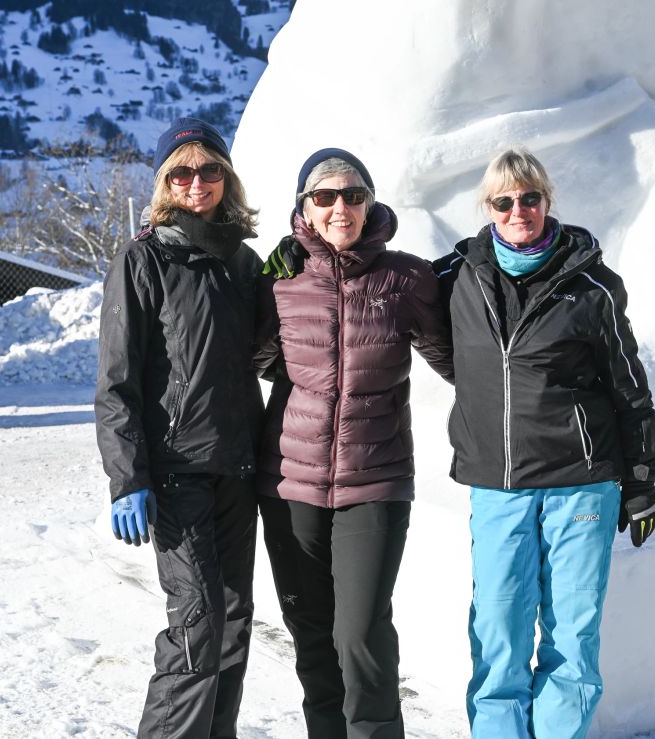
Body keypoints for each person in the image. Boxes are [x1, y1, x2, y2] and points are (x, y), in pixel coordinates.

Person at [432, 147, 655, 739]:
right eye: (504, 201)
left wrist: (640, 482)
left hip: (580, 483)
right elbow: (377, 286)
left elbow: (630, 387)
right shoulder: (455, 275)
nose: (518, 210)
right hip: (497, 484)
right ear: (487, 208)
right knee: (498, 631)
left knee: (571, 637)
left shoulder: (592, 286)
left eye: (529, 197)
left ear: (547, 201)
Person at [254, 147, 454, 738]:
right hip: (290, 480)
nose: (340, 207)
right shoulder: (280, 281)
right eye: (325, 196)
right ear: (305, 210)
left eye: (353, 195)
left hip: (377, 478)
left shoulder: (404, 278)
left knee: (360, 632)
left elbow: (457, 361)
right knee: (313, 632)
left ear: (370, 203)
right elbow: (244, 360)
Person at [95, 117, 264, 738]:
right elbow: (117, 381)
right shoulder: (143, 259)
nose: (199, 183)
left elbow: (270, 354)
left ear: (227, 178)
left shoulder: (244, 264)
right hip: (175, 475)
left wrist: (297, 273)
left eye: (210, 170)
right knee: (196, 623)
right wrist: (127, 477)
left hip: (237, 473)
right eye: (183, 172)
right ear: (166, 183)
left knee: (233, 623)